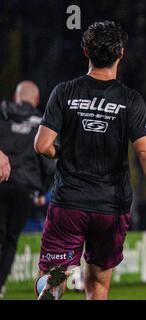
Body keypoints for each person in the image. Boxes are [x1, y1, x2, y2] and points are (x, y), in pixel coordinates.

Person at [33, 21, 146, 300]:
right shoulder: (131, 100)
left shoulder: (64, 92)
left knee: (54, 275)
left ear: (85, 52)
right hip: (111, 208)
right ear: (121, 54)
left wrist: (61, 152)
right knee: (98, 286)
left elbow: (42, 145)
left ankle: (56, 280)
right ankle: (71, 280)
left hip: (70, 204)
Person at [0, 81, 54, 298]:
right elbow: (49, 163)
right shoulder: (41, 123)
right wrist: (43, 191)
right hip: (24, 188)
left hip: (1, 182)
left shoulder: (2, 112)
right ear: (37, 100)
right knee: (10, 239)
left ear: (16, 96)